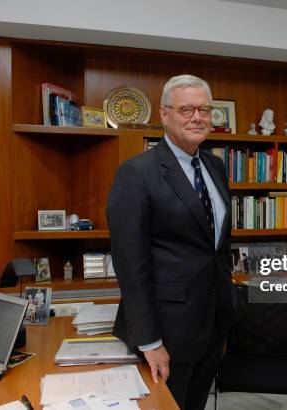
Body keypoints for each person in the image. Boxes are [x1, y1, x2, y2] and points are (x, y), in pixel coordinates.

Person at [107, 74, 240, 410]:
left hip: (212, 323)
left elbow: (217, 245)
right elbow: (130, 265)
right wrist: (150, 342)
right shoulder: (137, 173)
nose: (198, 117)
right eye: (186, 109)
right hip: (167, 331)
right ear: (165, 115)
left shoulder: (215, 165)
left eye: (205, 110)